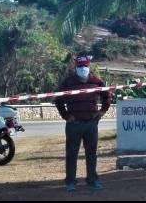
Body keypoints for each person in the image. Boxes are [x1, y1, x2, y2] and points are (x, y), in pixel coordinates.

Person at [54, 52, 111, 192]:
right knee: (72, 153)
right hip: (74, 124)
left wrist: (102, 111)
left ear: (89, 65)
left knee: (91, 153)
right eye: (80, 66)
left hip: (91, 124)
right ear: (75, 65)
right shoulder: (68, 82)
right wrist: (66, 116)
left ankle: (92, 180)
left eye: (85, 65)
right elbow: (58, 100)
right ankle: (70, 182)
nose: (82, 68)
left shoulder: (96, 81)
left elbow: (107, 96)